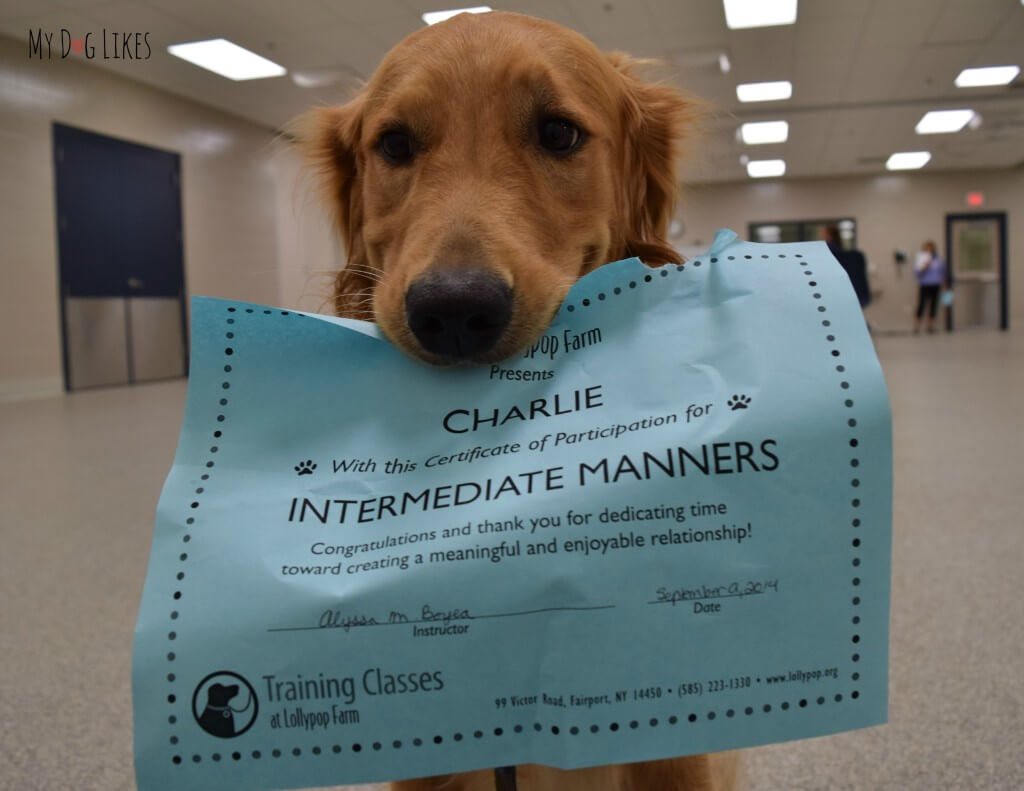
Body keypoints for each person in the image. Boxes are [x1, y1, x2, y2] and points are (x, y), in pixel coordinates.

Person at [822, 226, 871, 309]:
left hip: (844, 298)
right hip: (859, 298)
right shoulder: (856, 256)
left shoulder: (830, 256)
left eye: (823, 236)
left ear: (829, 236)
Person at [913, 240, 947, 334]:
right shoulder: (921, 260)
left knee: (933, 306)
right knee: (921, 305)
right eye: (927, 248)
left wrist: (943, 283)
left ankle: (930, 326)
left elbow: (942, 273)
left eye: (930, 248)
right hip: (925, 284)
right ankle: (916, 326)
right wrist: (924, 266)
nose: (929, 250)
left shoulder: (938, 260)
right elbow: (917, 273)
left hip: (935, 285)